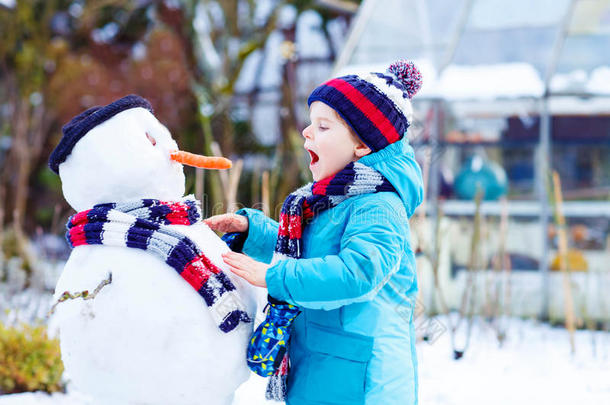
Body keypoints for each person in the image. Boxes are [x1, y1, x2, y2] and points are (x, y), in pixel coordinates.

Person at [205, 60, 424, 405]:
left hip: (363, 382)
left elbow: (357, 273)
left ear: (363, 147)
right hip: (322, 368)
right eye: (310, 123)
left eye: (323, 126)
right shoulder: (333, 200)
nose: (307, 132)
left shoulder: (378, 207)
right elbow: (311, 250)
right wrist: (256, 233)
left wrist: (275, 276)